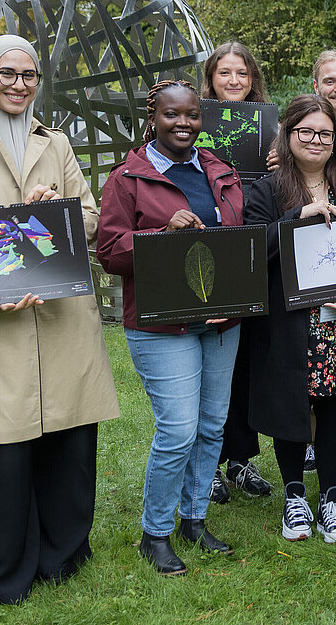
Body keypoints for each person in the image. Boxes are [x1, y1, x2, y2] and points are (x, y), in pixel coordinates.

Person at [0, 35, 119, 604]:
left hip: (61, 317)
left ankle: (63, 555)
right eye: (7, 74)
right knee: (6, 449)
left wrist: (52, 206)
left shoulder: (55, 143)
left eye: (29, 75)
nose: (18, 84)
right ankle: (4, 568)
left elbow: (88, 217)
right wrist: (12, 261)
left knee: (70, 438)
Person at [98, 80, 243, 576]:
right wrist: (160, 235)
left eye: (192, 116)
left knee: (210, 426)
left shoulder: (220, 171)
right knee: (178, 431)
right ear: (152, 116)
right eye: (172, 115)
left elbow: (237, 240)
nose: (183, 124)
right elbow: (110, 254)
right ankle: (155, 533)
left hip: (221, 320)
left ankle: (194, 518)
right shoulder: (128, 178)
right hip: (163, 326)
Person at [243, 94, 336, 543]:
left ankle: (332, 500)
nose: (316, 140)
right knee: (291, 403)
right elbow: (252, 249)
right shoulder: (266, 190)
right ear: (289, 134)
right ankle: (296, 497)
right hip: (289, 322)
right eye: (306, 132)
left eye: (325, 133)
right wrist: (296, 217)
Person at [199, 41, 275, 504]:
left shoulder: (270, 129)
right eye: (224, 73)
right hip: (209, 248)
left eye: (241, 74)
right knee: (210, 362)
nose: (233, 81)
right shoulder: (191, 123)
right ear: (209, 79)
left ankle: (240, 461)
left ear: (252, 81)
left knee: (246, 362)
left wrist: (278, 159)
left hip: (254, 251)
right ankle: (204, 465)